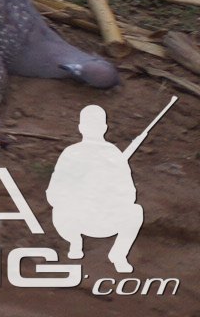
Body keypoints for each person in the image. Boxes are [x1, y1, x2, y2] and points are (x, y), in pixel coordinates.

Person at [48, 102, 147, 273]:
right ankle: (75, 242)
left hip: (105, 219)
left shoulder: (113, 155)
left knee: (135, 211)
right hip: (77, 219)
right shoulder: (72, 153)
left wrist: (107, 193)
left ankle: (118, 254)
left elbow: (129, 194)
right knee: (59, 210)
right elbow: (54, 193)